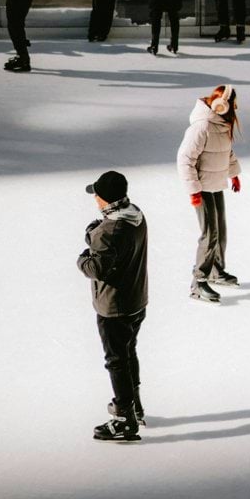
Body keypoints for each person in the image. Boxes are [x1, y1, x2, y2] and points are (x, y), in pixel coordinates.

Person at [77, 171, 148, 441]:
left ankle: (124, 419)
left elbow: (97, 267)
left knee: (116, 361)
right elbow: (115, 244)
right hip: (136, 299)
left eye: (96, 195)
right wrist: (96, 235)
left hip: (114, 307)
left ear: (104, 199)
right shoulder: (135, 214)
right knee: (129, 353)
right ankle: (135, 406)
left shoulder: (109, 231)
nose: (94, 198)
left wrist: (83, 257)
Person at [177, 84, 242, 302]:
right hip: (202, 187)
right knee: (209, 233)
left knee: (220, 230)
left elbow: (226, 152)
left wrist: (233, 173)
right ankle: (198, 282)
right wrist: (193, 190)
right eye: (233, 103)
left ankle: (215, 270)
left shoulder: (221, 124)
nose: (235, 107)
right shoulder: (202, 126)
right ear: (220, 105)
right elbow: (185, 160)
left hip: (216, 183)